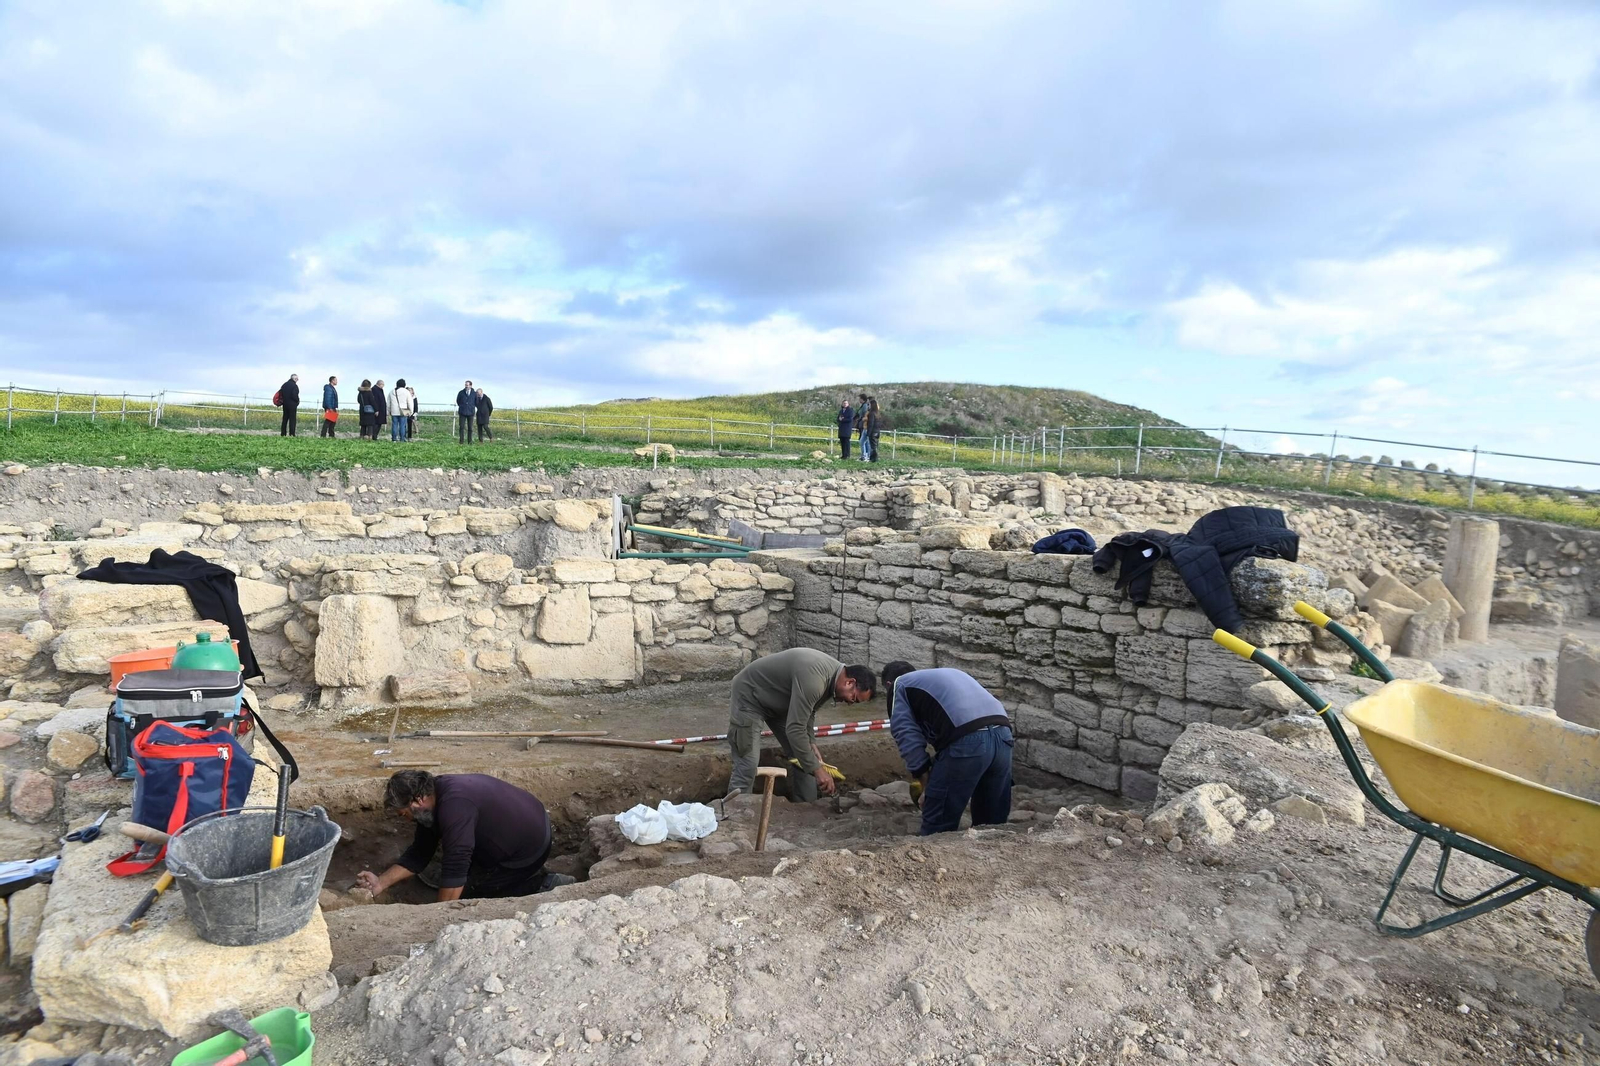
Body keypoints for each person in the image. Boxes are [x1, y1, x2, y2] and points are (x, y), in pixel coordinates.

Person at [356, 770, 575, 901]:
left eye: (404, 813)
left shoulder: (454, 807)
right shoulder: (434, 797)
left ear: (417, 800)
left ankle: (543, 883)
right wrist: (380, 883)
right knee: (456, 879)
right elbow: (420, 852)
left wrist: (439, 915)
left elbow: (457, 861)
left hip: (530, 846)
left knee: (472, 895)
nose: (406, 819)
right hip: (519, 830)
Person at [881, 661, 1013, 835]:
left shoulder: (900, 685)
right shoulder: (939, 677)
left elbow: (906, 736)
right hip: (1003, 737)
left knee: (938, 824)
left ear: (888, 685)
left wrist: (926, 785)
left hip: (968, 742)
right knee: (991, 825)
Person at [726, 648, 876, 802]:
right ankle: (736, 810)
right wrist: (818, 770)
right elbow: (795, 729)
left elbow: (810, 712)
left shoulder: (834, 679)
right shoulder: (816, 679)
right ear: (850, 682)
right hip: (750, 697)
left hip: (780, 701)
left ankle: (807, 807)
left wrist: (811, 743)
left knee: (805, 755)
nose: (851, 703)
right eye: (854, 698)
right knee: (748, 761)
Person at [866, 397, 883, 462]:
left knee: (873, 446)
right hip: (877, 431)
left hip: (872, 431)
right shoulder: (878, 413)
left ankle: (873, 459)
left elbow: (871, 423)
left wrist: (868, 433)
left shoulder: (871, 413)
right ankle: (875, 458)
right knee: (876, 445)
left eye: (869, 404)